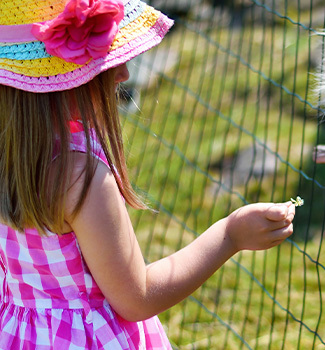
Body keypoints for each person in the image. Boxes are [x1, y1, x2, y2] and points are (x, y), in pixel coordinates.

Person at [0, 0, 296, 348]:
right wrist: (229, 235)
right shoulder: (80, 179)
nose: (124, 73)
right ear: (65, 79)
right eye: (106, 59)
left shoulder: (11, 156)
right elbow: (136, 297)